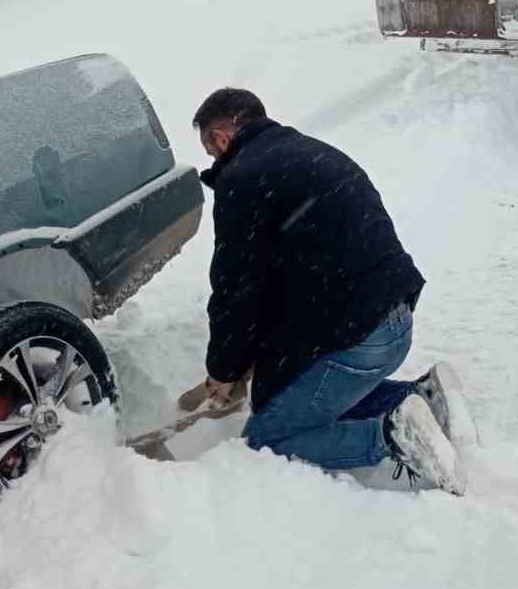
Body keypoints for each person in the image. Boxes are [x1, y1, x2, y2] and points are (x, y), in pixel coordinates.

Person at [191, 87, 477, 493]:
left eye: (211, 152)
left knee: (267, 436)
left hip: (357, 340)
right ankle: (425, 395)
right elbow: (278, 278)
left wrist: (224, 369)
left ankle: (394, 435)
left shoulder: (242, 179)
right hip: (394, 318)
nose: (215, 162)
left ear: (221, 137)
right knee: (301, 396)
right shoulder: (309, 153)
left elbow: (236, 292)